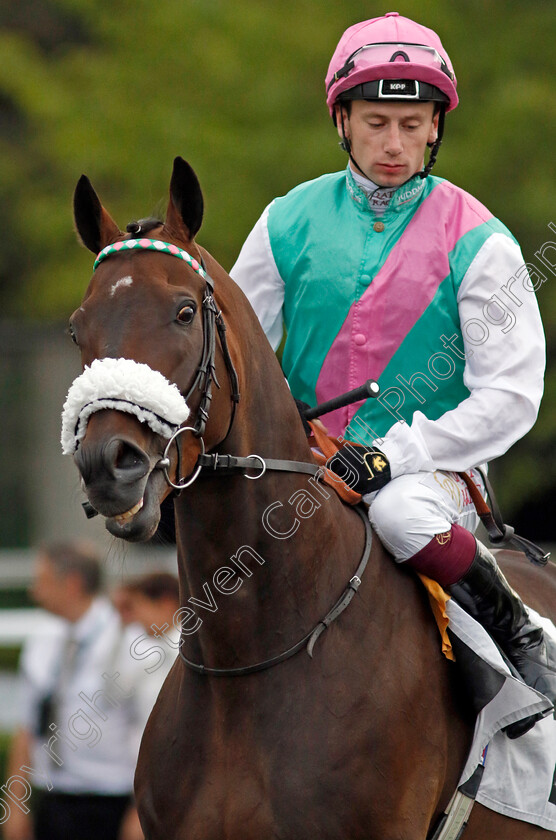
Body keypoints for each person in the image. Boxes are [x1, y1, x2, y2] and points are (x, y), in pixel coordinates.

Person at [230, 11, 556, 727]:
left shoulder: (480, 238)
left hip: (428, 475)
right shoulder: (286, 220)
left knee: (401, 513)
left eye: (414, 124)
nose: (395, 143)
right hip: (301, 466)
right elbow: (237, 355)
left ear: (438, 126)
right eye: (376, 121)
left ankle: (520, 643)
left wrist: (394, 455)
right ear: (341, 118)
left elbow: (510, 396)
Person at [4, 541, 147, 840]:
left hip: (110, 801)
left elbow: (147, 728)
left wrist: (139, 810)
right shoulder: (42, 640)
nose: (34, 590)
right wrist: (15, 804)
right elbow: (27, 727)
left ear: (71, 584)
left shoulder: (128, 642)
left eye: (42, 580)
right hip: (54, 798)